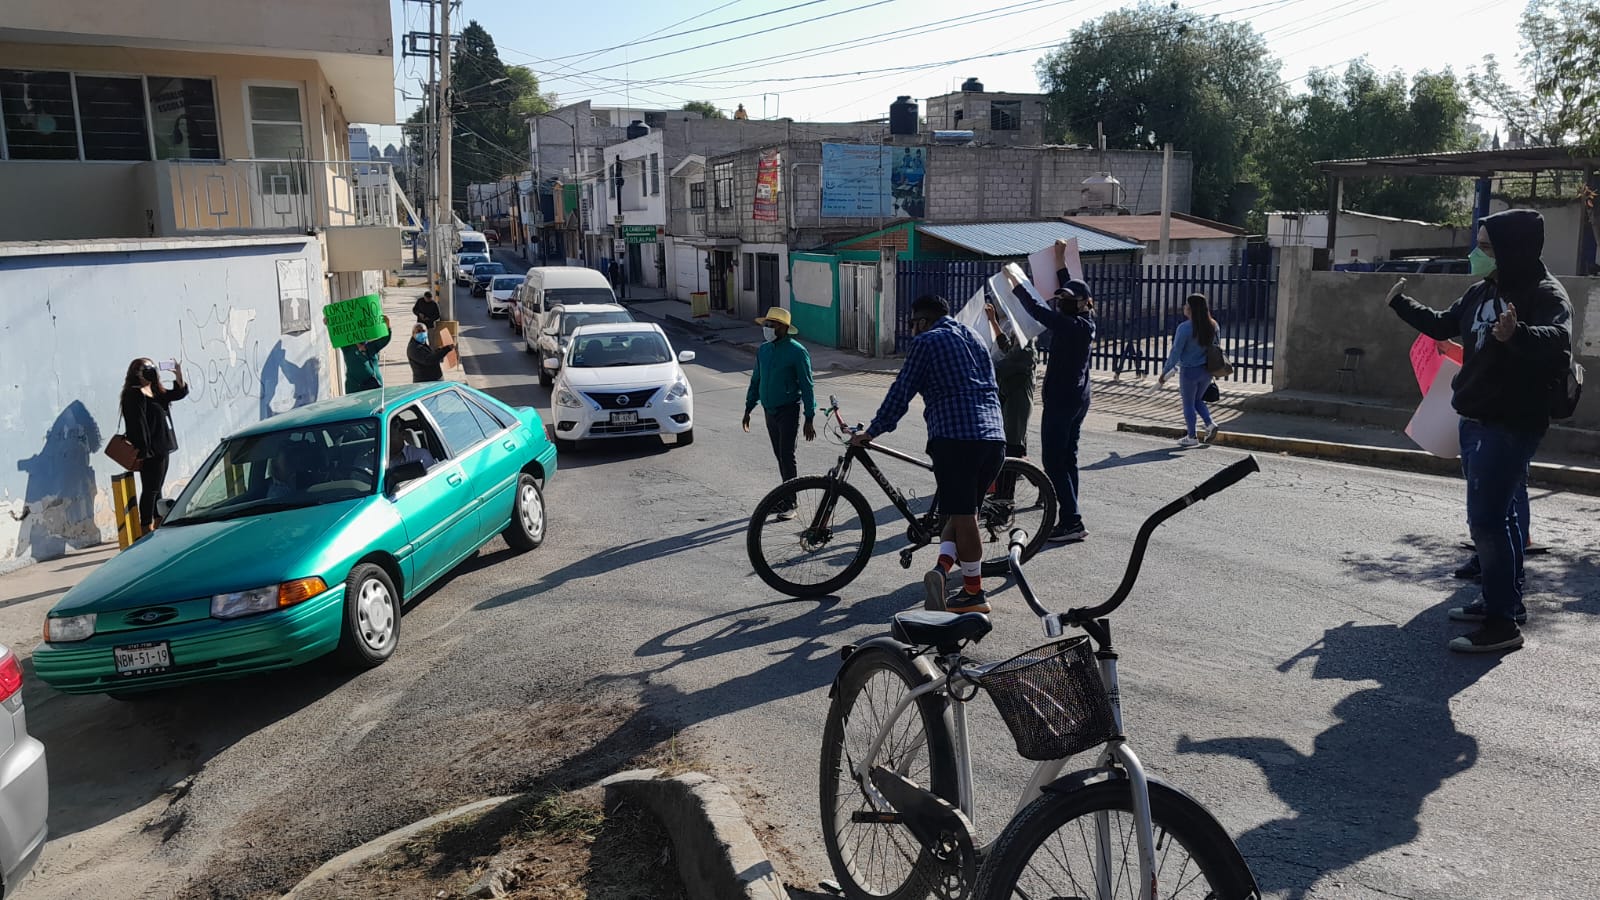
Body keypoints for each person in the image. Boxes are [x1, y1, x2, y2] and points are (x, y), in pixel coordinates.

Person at [1387, 208, 1572, 653]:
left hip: (1509, 423)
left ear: (1513, 249)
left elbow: (1558, 342)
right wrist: (1401, 303)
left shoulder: (1545, 293)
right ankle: (1500, 601)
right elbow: (1444, 324)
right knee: (1501, 519)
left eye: (1486, 247)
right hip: (1475, 419)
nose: (1478, 253)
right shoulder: (1482, 290)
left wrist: (1518, 334)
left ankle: (1502, 624)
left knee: (1487, 523)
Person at [853, 295, 1006, 614]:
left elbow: (902, 391)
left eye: (912, 324)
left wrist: (873, 431)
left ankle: (974, 594)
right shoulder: (975, 336)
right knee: (961, 512)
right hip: (993, 437)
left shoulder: (927, 342)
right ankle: (940, 571)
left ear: (922, 321)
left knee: (964, 518)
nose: (911, 331)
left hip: (956, 439)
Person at [1006, 241, 1096, 543]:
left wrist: (1016, 283)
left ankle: (1071, 520)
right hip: (1078, 398)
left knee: (1054, 462)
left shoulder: (1071, 326)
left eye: (1069, 300)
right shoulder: (1083, 322)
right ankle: (1070, 516)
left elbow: (1036, 310)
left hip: (1062, 400)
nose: (1061, 302)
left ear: (1084, 302)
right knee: (1068, 458)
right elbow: (1066, 289)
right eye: (1061, 299)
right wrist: (1059, 261)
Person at [744, 307, 816, 519]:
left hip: (789, 409)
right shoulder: (763, 350)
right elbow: (756, 380)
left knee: (786, 455)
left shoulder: (797, 351)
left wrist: (809, 417)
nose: (767, 328)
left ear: (784, 328)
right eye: (766, 324)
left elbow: (807, 385)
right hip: (769, 410)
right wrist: (748, 407)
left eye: (772, 325)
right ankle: (786, 497)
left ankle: (791, 503)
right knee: (779, 455)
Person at [120, 357, 189, 531]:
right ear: (136, 373)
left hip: (163, 446)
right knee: (150, 489)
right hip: (149, 450)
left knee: (157, 488)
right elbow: (137, 424)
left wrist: (178, 374)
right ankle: (146, 526)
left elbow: (179, 394)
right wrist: (144, 450)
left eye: (152, 368)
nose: (150, 372)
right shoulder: (133, 394)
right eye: (145, 369)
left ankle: (158, 521)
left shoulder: (156, 391)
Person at [1158, 294, 1221, 448]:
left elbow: (1175, 352)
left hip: (1189, 371)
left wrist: (1164, 372)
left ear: (1191, 308)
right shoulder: (1213, 325)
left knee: (1188, 403)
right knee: (1197, 400)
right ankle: (1210, 424)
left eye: (1186, 304)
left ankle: (1192, 436)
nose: (1184, 307)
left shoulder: (1184, 328)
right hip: (1206, 371)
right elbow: (1216, 347)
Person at [984, 301, 1036, 459]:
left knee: (1013, 440)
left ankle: (1012, 475)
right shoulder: (1019, 343)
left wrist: (982, 367)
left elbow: (1004, 365)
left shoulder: (1025, 347)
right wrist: (993, 321)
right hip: (1009, 397)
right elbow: (1006, 346)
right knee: (1009, 437)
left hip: (1016, 401)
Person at [341, 315, 392, 394]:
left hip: (374, 386)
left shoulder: (371, 347)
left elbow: (385, 339)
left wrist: (387, 325)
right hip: (355, 389)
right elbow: (337, 335)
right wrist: (330, 324)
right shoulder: (348, 348)